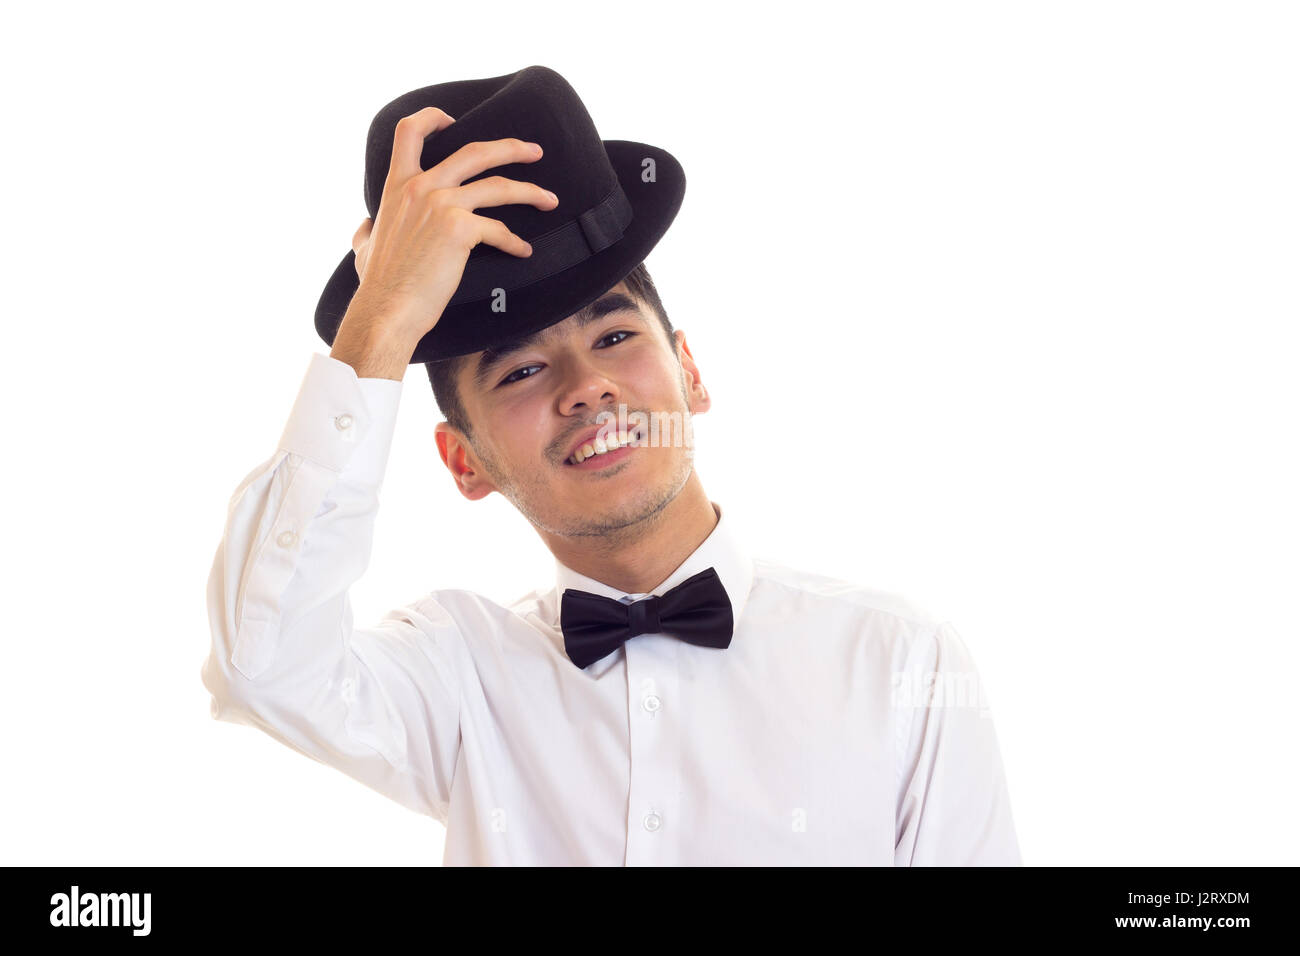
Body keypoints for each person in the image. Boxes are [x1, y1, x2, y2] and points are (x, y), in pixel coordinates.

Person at [202, 66, 1022, 866]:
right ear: (465, 462)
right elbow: (263, 667)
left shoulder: (902, 662)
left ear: (690, 372)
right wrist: (381, 317)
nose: (586, 387)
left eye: (615, 336)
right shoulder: (456, 676)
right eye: (520, 371)